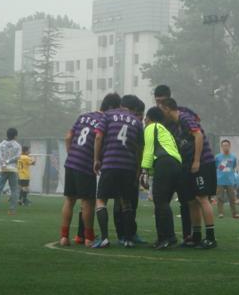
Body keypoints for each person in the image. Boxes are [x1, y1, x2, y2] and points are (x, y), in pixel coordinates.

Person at [60, 93, 121, 247]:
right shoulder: (105, 120)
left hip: (71, 162)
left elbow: (68, 136)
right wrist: (97, 159)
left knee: (70, 200)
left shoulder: (83, 116)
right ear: (112, 108)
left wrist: (71, 153)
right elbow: (99, 139)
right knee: (88, 201)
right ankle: (88, 238)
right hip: (86, 164)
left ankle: (64, 237)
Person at [160, 98, 217, 249]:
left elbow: (198, 135)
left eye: (161, 110)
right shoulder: (173, 125)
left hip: (202, 163)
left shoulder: (184, 118)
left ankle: (210, 238)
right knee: (191, 201)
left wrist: (197, 161)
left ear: (167, 109)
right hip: (188, 164)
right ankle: (196, 236)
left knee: (202, 198)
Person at [92, 95, 144, 249]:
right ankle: (128, 239)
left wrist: (96, 159)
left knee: (101, 200)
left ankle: (105, 238)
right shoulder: (136, 121)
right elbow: (140, 148)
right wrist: (138, 168)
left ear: (121, 104)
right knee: (126, 202)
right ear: (134, 109)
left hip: (110, 163)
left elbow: (98, 137)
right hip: (128, 166)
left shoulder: (108, 116)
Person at [153, 85, 198, 243]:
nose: (159, 104)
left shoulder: (184, 113)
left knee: (186, 201)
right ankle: (165, 236)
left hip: (184, 162)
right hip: (166, 163)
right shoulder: (157, 116)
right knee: (162, 200)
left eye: (162, 101)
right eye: (157, 101)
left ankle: (188, 236)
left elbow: (197, 128)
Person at [141, 106, 184, 249]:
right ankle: (165, 237)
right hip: (176, 164)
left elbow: (149, 150)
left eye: (145, 119)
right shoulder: (165, 131)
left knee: (160, 202)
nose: (144, 121)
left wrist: (144, 171)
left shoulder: (151, 127)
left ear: (149, 118)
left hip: (164, 163)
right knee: (163, 202)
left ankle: (167, 238)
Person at [0, 128, 21, 215]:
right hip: (13, 169)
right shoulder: (17, 145)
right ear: (15, 136)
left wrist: (3, 162)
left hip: (2, 169)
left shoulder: (1, 144)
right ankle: (12, 210)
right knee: (14, 189)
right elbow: (18, 157)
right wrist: (8, 161)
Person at [215, 139, 239, 219]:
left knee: (232, 198)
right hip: (220, 180)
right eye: (224, 145)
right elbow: (215, 167)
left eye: (227, 145)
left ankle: (234, 214)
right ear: (221, 147)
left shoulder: (233, 157)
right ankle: (220, 213)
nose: (225, 147)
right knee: (220, 198)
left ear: (229, 146)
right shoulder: (217, 157)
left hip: (230, 181)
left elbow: (233, 167)